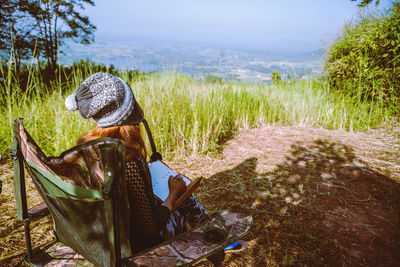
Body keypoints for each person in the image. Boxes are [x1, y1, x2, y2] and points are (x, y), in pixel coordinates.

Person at [65, 72, 209, 252]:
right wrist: (173, 195)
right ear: (128, 111)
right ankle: (213, 236)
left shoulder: (82, 150)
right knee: (185, 197)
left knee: (179, 196)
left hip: (98, 240)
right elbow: (150, 229)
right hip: (132, 247)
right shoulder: (130, 160)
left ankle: (212, 233)